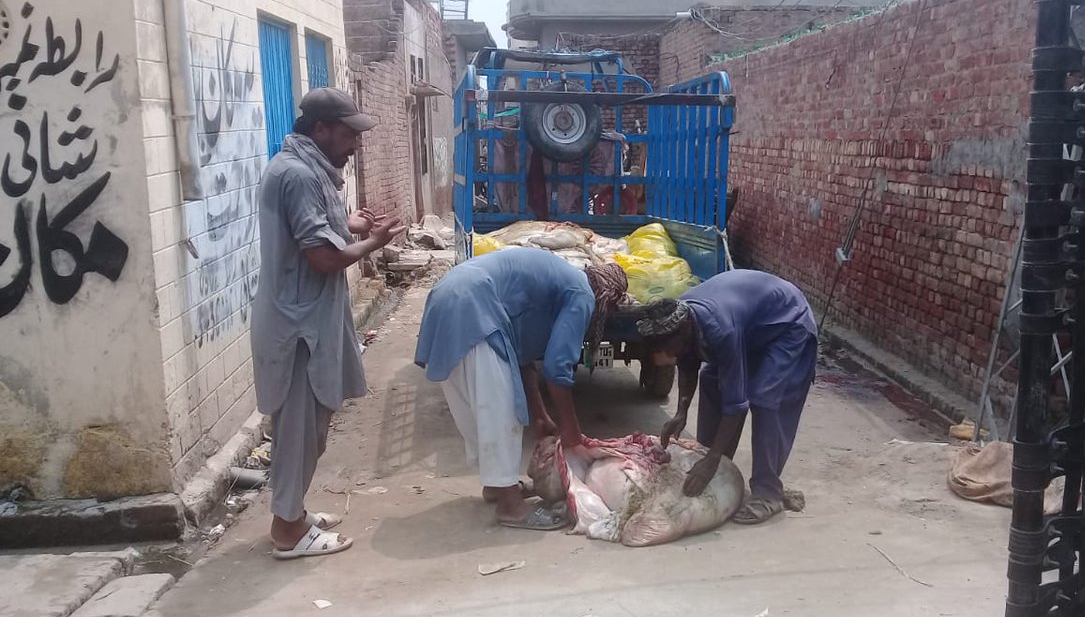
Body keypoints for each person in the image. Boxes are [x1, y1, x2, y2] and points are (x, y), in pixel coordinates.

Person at [252, 87, 404, 559]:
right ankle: (287, 531)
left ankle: (291, 511)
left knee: (306, 426)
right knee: (300, 427)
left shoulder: (308, 170)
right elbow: (321, 258)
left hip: (306, 320)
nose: (355, 143)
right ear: (319, 130)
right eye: (348, 133)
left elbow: (319, 228)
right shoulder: (298, 175)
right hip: (300, 328)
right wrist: (372, 243)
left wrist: (351, 225)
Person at [415, 248, 628, 529]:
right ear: (608, 296)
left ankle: (498, 487)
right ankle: (511, 507)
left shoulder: (561, 282)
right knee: (502, 413)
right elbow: (556, 368)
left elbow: (523, 358)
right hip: (473, 305)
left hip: (449, 296)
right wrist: (571, 431)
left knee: (481, 410)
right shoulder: (582, 294)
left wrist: (540, 413)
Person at [637, 269, 818, 525]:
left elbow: (736, 404)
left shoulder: (719, 329)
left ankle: (769, 493)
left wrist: (712, 459)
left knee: (765, 399)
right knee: (711, 380)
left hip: (786, 324)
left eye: (668, 346)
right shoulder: (684, 321)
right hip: (752, 325)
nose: (666, 353)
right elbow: (687, 362)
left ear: (685, 329)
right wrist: (681, 412)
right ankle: (719, 469)